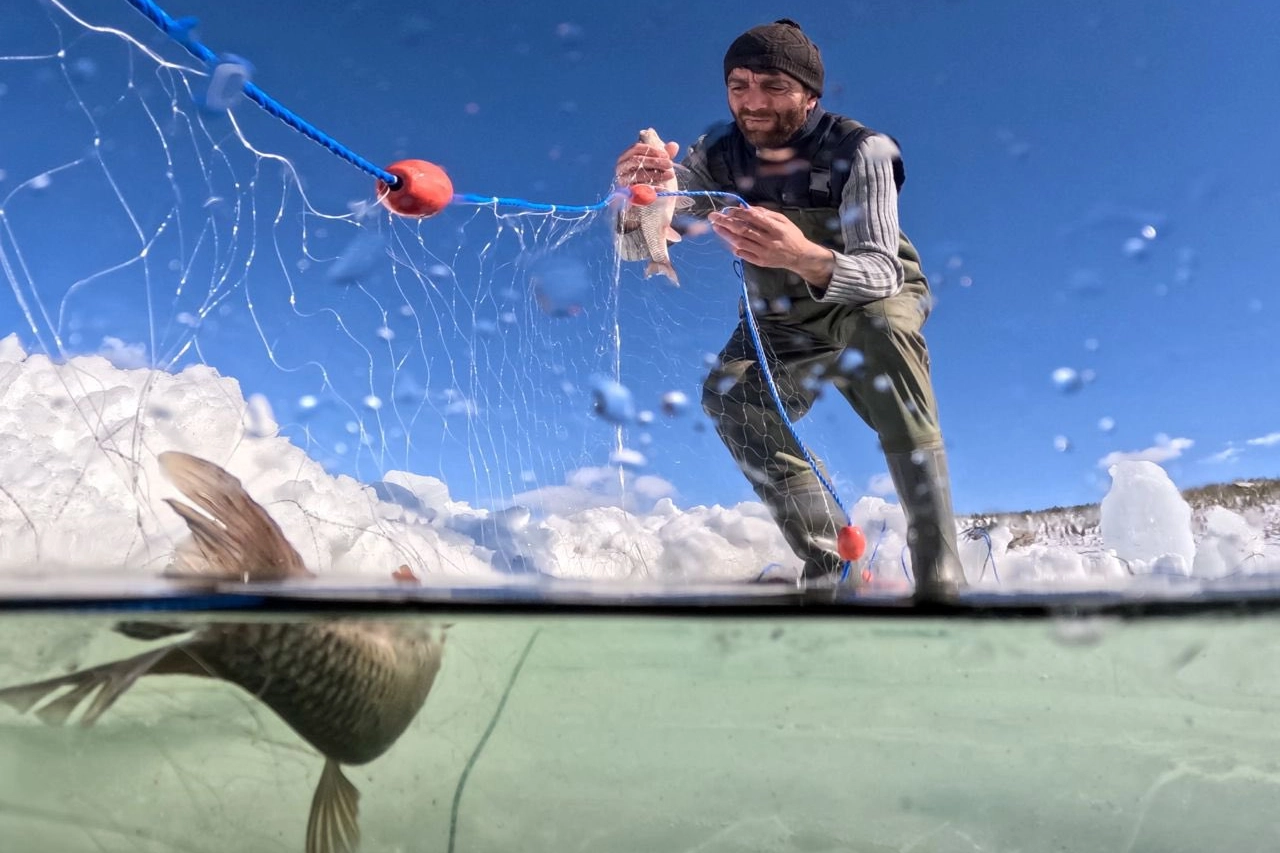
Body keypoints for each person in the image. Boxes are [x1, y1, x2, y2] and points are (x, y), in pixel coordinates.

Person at [612, 19, 966, 601]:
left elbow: (883, 270)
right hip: (782, 317)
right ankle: (833, 561)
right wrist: (638, 198)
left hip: (868, 292)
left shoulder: (862, 150)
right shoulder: (720, 155)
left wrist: (805, 256)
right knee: (728, 395)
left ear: (810, 95)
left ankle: (939, 570)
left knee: (883, 328)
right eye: (739, 84)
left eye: (773, 86)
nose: (752, 102)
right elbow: (641, 240)